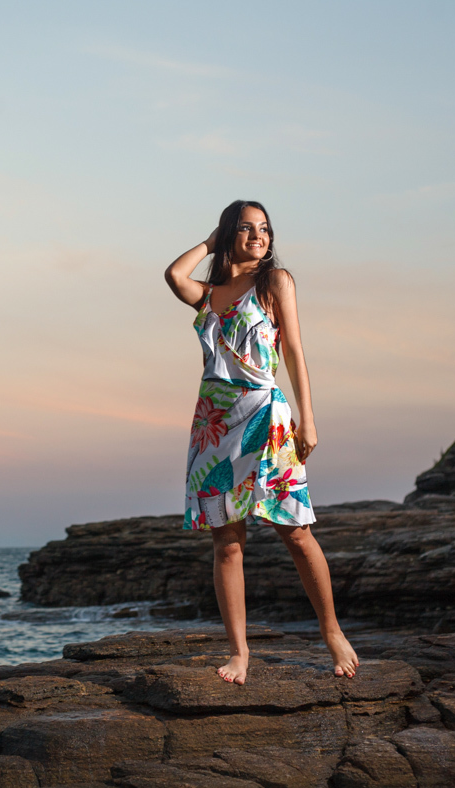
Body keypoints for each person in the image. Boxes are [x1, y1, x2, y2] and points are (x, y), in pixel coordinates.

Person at [164, 200, 358, 684]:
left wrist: (307, 419)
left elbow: (293, 349)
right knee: (227, 544)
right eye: (247, 228)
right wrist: (213, 240)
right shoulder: (208, 294)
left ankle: (332, 631)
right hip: (214, 423)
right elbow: (173, 273)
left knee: (295, 530)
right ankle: (239, 653)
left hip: (266, 418)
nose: (259, 236)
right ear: (230, 233)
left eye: (265, 229)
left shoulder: (275, 282)